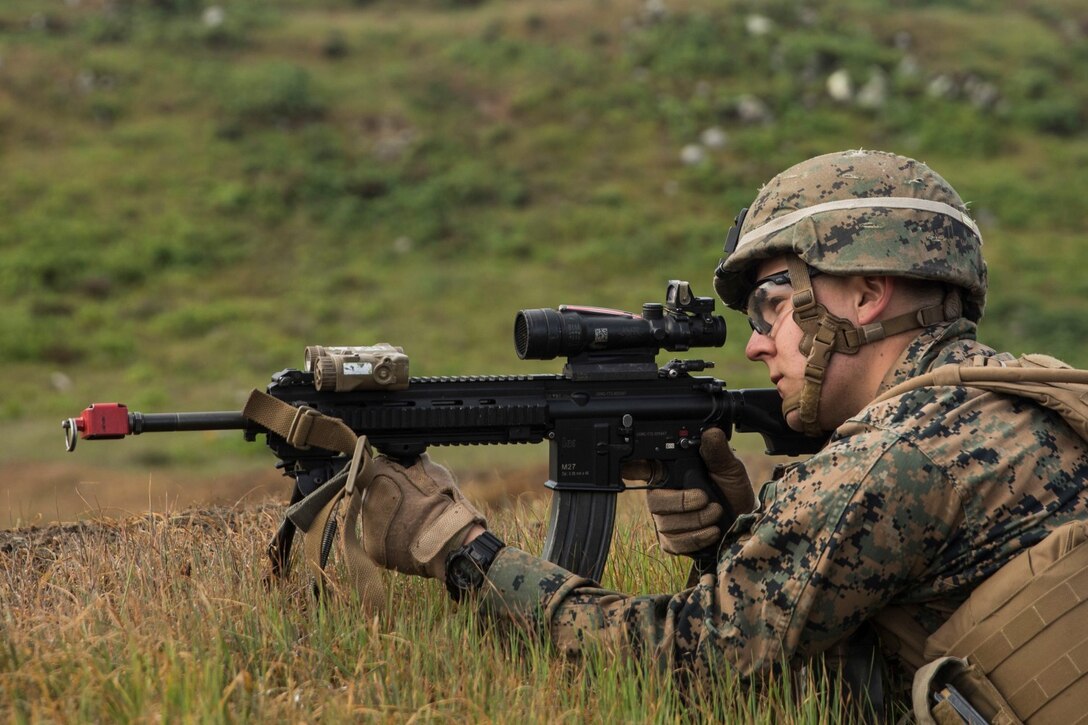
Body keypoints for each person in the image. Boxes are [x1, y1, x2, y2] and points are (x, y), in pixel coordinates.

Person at [350, 150, 1088, 714]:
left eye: (774, 304)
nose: (759, 343)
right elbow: (852, 659)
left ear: (865, 295)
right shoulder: (1028, 394)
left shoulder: (893, 458)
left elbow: (695, 663)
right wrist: (732, 537)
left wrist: (457, 548)